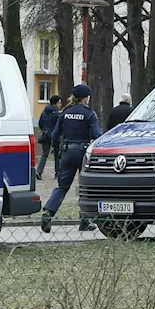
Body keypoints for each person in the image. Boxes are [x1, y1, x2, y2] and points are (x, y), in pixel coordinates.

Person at [40, 85, 102, 233]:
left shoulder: (65, 113)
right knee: (85, 186)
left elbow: (55, 135)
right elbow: (96, 135)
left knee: (62, 187)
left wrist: (57, 151)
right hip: (83, 153)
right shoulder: (89, 114)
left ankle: (49, 211)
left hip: (67, 152)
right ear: (85, 97)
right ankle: (85, 219)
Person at [35, 95, 63, 180]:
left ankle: (39, 171)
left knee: (44, 154)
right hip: (55, 135)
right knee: (57, 155)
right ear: (55, 104)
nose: (60, 104)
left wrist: (44, 130)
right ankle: (57, 173)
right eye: (59, 103)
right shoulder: (57, 113)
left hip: (45, 134)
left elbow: (40, 123)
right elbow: (60, 125)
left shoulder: (44, 111)